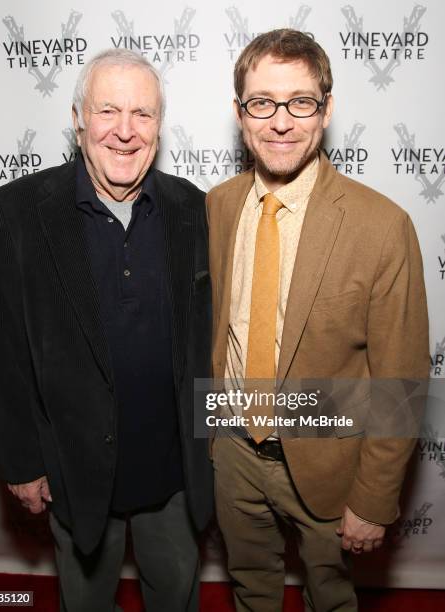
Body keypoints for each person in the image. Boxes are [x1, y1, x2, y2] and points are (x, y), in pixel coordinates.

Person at [0, 48, 213, 612]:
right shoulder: (17, 212)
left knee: (175, 598)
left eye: (144, 114)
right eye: (108, 111)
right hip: (73, 467)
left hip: (176, 469)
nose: (126, 132)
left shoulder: (197, 210)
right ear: (78, 117)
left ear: (160, 125)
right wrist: (22, 462)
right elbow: (6, 349)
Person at [206, 29, 429, 612]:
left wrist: (374, 499)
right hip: (232, 452)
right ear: (239, 113)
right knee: (249, 588)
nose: (281, 121)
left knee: (331, 599)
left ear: (327, 109)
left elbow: (400, 380)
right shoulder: (217, 205)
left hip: (332, 462)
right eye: (262, 103)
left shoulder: (383, 226)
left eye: (300, 102)